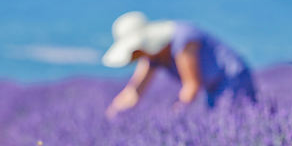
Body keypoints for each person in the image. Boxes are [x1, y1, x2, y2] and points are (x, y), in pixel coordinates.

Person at [102, 11, 256, 117]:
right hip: (212, 86)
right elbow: (135, 90)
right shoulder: (152, 55)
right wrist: (113, 112)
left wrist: (173, 117)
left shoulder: (183, 40)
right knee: (220, 122)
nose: (136, 58)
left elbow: (191, 86)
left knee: (231, 121)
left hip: (232, 78)